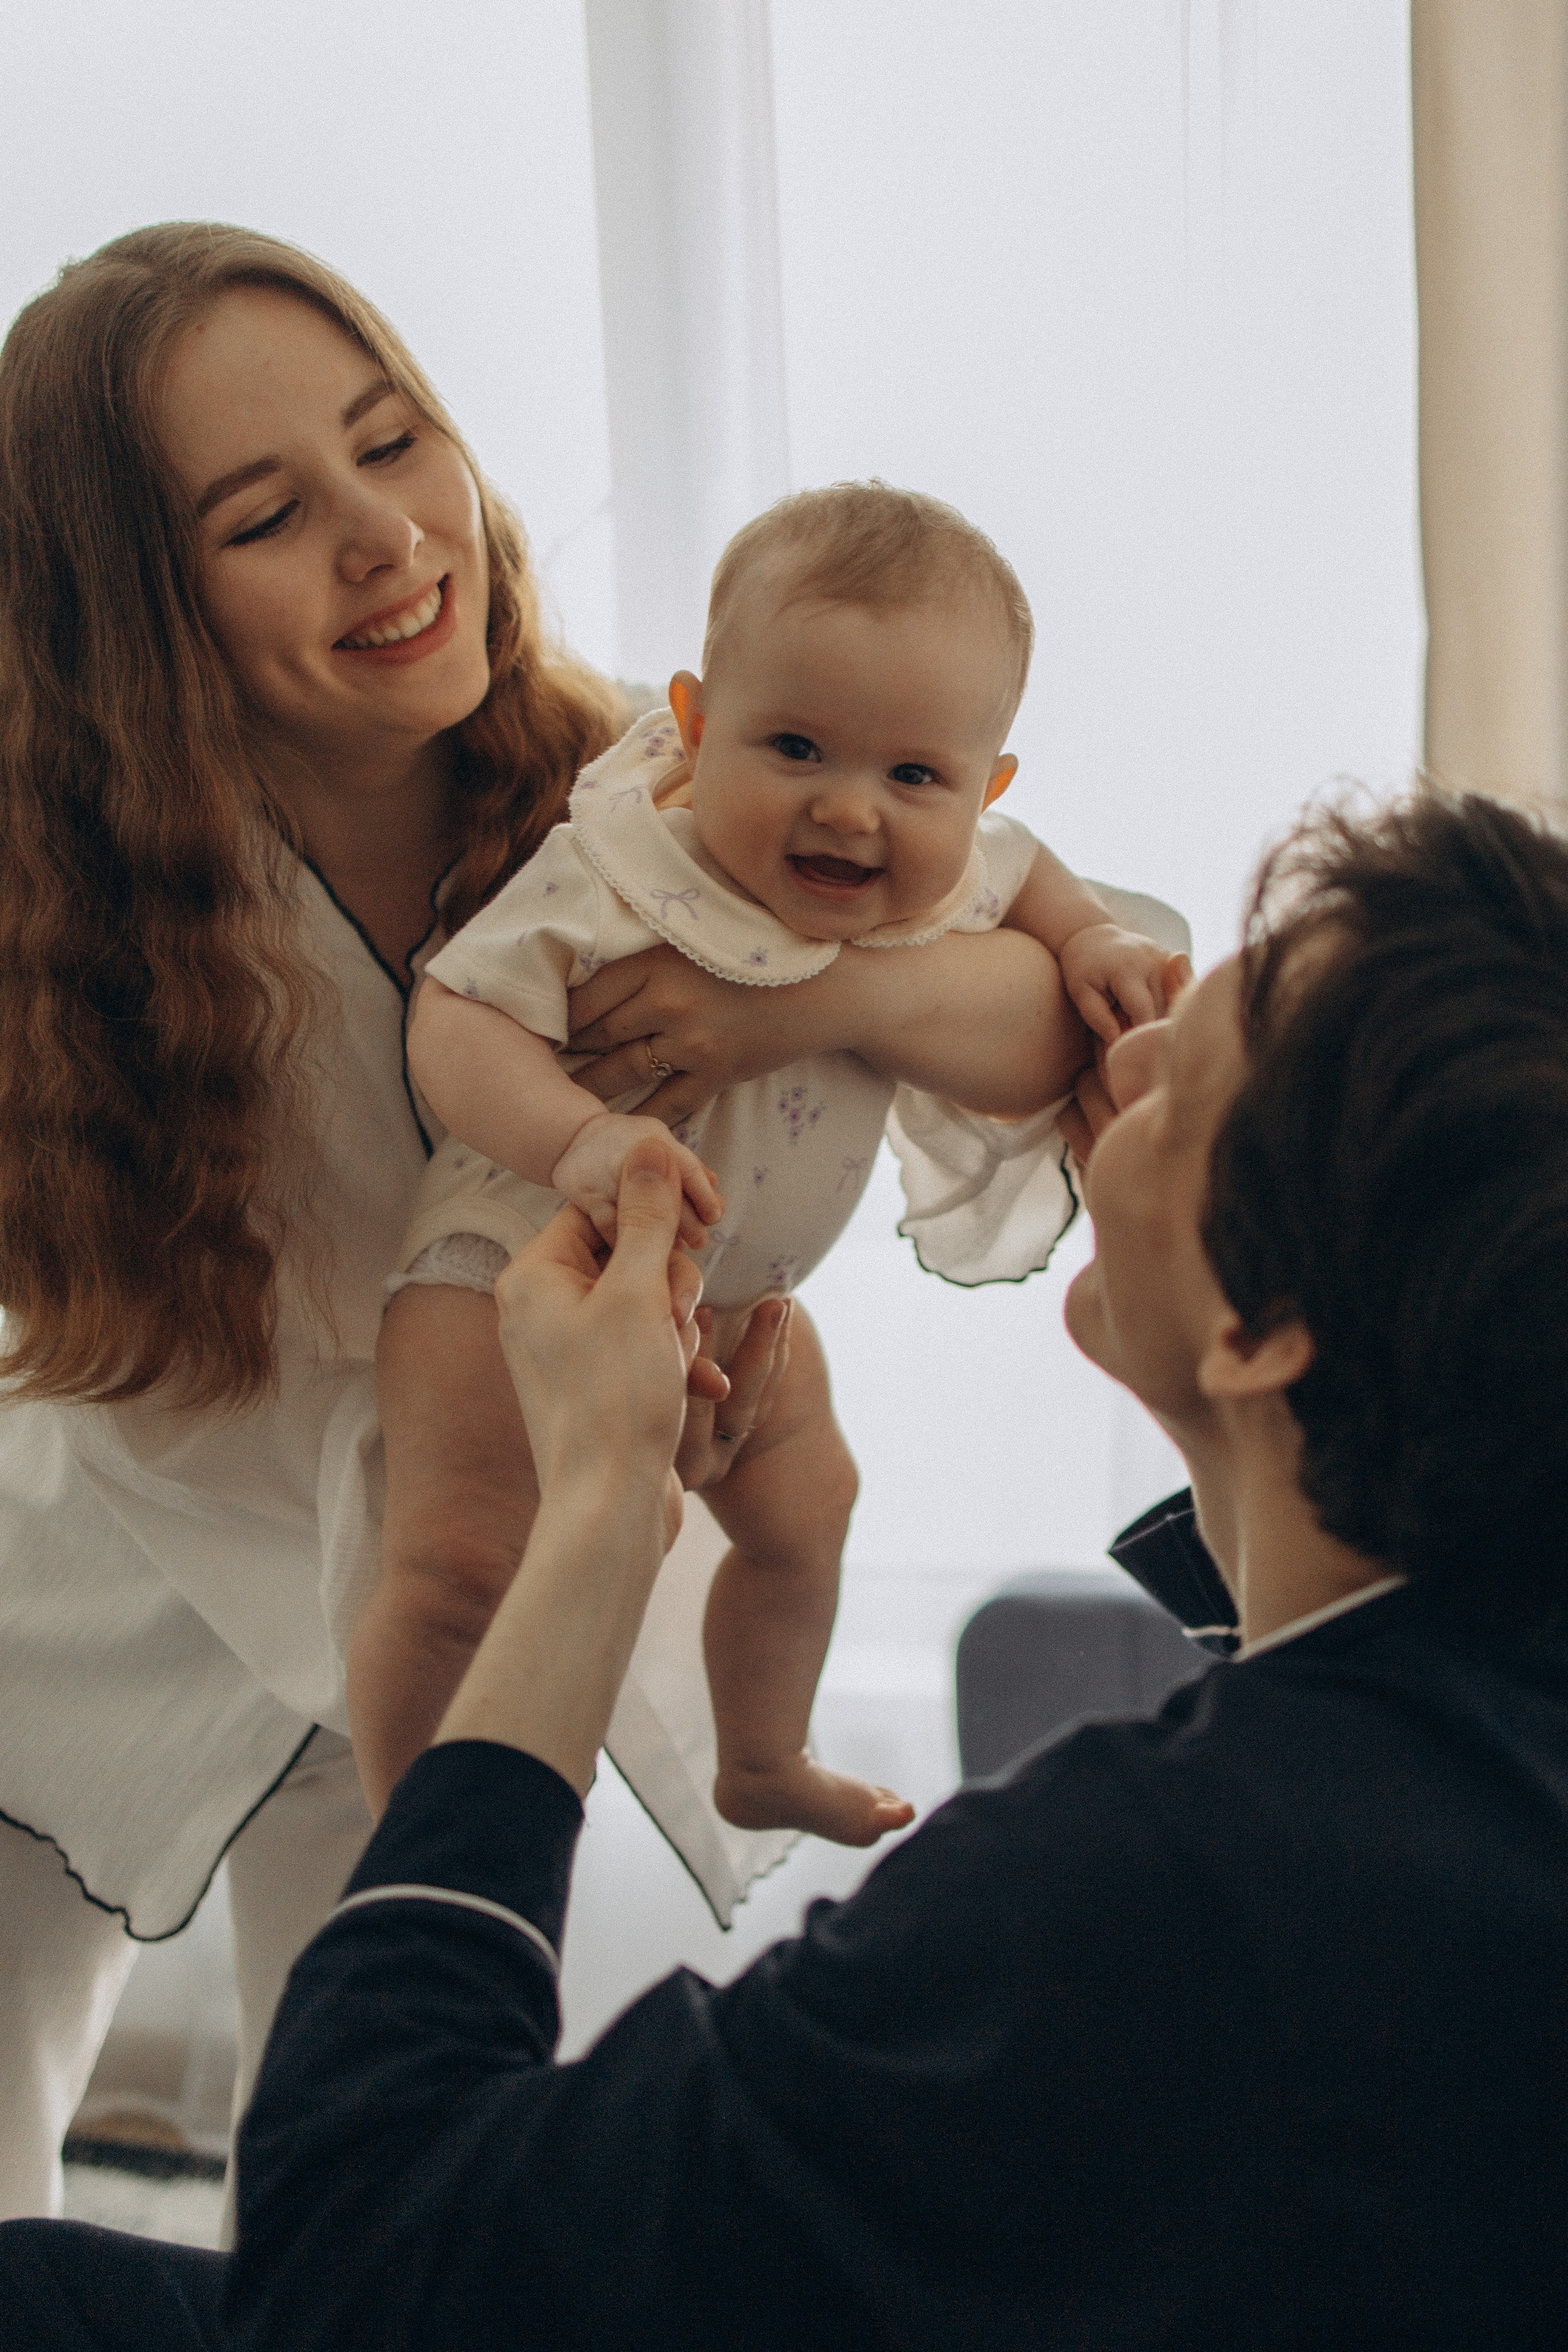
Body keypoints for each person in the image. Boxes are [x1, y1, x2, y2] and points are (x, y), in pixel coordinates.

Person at [6, 785, 1552, 2350]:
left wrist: (601, 1507)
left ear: (1263, 1332)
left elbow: (372, 2269)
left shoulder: (1142, 1892)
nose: (1126, 1052)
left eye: (1192, 1086)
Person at [0, 223, 1074, 2222]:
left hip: (411, 1574)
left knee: (389, 2168)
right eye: (266, 517)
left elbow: (1048, 1007)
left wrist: (808, 998)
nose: (389, 540)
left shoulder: (652, 794)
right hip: (90, 1584)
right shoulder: (80, 928)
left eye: (393, 441)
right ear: (135, 617)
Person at [364, 481, 1188, 1849]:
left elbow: (1032, 883)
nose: (850, 813)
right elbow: (453, 1015)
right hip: (511, 1258)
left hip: (737, 1302)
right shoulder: (629, 866)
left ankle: (761, 1756)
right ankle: (411, 1845)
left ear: (978, 789)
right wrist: (576, 1138)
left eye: (911, 776)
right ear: (694, 730)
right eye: (794, 747)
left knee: (808, 1513)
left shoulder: (962, 868)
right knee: (459, 1562)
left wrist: (1093, 940)